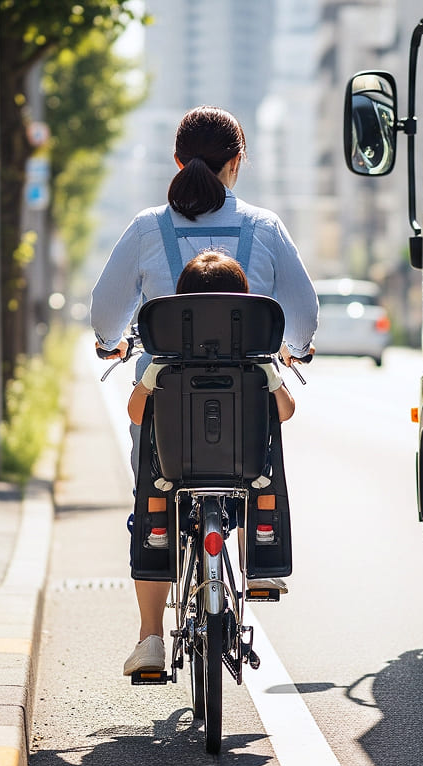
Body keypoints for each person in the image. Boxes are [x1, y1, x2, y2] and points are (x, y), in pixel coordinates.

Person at [90, 105, 319, 677]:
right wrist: (294, 347)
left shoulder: (147, 228)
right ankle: (260, 561)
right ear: (237, 162)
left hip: (166, 405)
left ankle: (149, 637)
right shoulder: (263, 227)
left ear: (177, 160)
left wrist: (111, 343)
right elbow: (304, 313)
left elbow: (104, 311)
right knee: (264, 455)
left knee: (153, 501)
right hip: (245, 404)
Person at [126, 251, 296, 426]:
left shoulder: (166, 363)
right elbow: (285, 412)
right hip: (246, 451)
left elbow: (137, 416)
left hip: (177, 452)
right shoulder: (256, 361)